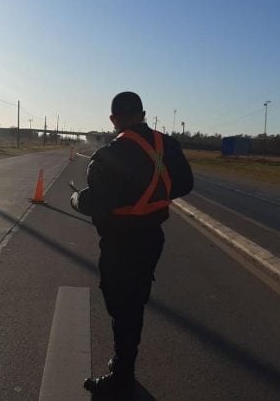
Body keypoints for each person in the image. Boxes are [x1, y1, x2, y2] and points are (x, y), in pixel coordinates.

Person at [70, 91, 193, 397]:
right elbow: (185, 184)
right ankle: (124, 361)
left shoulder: (112, 153)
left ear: (113, 120)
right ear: (143, 114)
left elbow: (98, 203)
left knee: (122, 306)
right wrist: (150, 197)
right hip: (151, 237)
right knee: (134, 301)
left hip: (121, 242)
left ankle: (122, 374)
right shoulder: (168, 145)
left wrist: (76, 199)